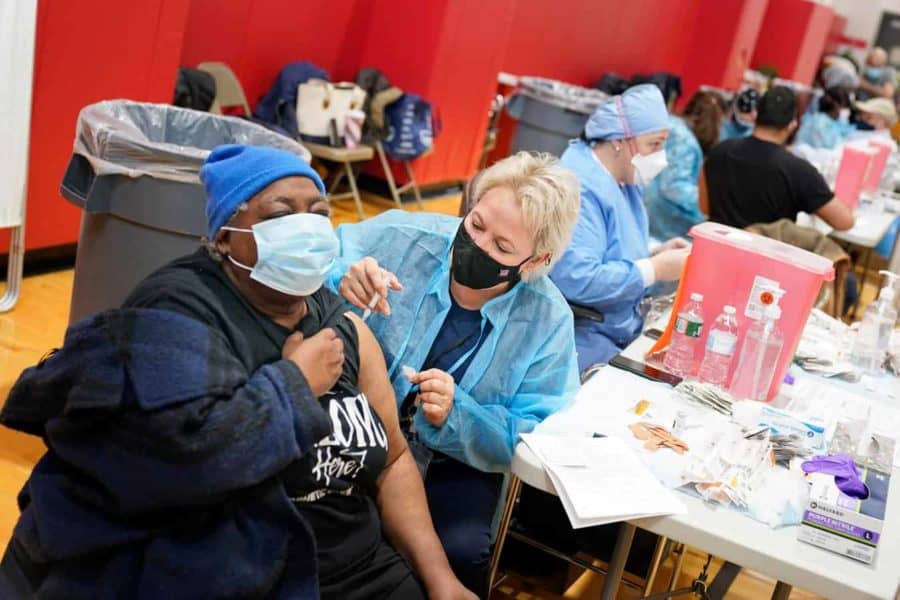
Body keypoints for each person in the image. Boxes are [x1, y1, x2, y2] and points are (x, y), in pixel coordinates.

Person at [0, 145, 475, 600]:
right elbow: (183, 467)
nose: (305, 227)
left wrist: (441, 580)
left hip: (355, 565)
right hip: (240, 565)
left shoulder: (341, 324)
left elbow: (392, 458)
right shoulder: (175, 311)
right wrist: (294, 386)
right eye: (279, 214)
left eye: (317, 212)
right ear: (225, 235)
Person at [329, 152, 581, 597]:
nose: (478, 246)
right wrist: (340, 276)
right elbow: (317, 257)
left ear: (536, 261)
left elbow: (540, 433)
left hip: (456, 462)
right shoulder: (402, 239)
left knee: (460, 552)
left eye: (503, 247)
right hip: (356, 425)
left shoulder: (546, 320)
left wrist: (459, 415)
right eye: (476, 224)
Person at [549, 84, 690, 372]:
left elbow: (612, 241)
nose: (660, 157)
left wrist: (656, 250)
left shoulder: (625, 178)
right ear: (619, 141)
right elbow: (577, 277)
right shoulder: (579, 187)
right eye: (654, 145)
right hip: (580, 338)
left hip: (618, 328)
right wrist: (655, 269)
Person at [701, 86, 855, 232]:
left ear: (756, 116)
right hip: (761, 250)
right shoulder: (800, 171)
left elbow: (704, 207)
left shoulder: (719, 151)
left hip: (713, 245)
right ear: (792, 124)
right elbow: (844, 222)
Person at [644, 90, 724, 241]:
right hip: (661, 217)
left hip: (645, 203)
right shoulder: (685, 142)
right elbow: (675, 186)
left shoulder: (669, 125)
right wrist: (707, 202)